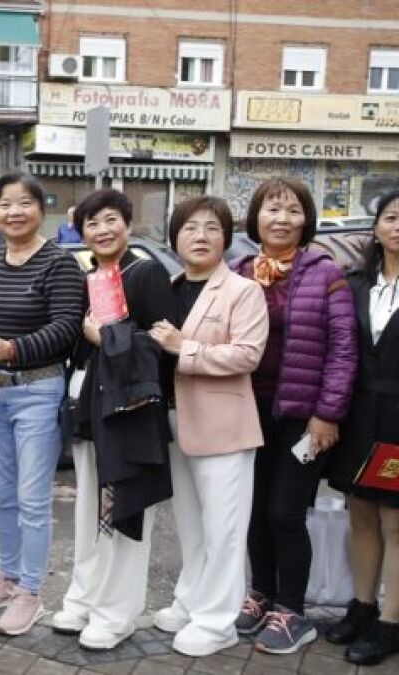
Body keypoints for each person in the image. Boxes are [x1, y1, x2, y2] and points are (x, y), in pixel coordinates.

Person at [230, 178, 357, 654]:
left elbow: (343, 349)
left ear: (306, 220)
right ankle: (261, 593)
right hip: (248, 411)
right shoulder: (239, 270)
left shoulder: (327, 273)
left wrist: (327, 413)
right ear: (256, 218)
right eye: (272, 209)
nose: (281, 219)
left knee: (285, 511)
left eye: (293, 210)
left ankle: (292, 610)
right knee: (254, 510)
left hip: (303, 416)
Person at [51, 189, 174, 650]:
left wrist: (106, 338)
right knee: (90, 511)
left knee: (124, 508)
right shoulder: (90, 278)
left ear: (128, 224)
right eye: (92, 223)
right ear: (80, 232)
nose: (102, 230)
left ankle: (117, 612)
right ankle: (85, 597)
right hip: (90, 410)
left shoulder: (145, 273)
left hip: (130, 413)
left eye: (110, 220)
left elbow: (162, 347)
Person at [148, 196, 268, 657]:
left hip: (224, 426)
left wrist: (185, 347)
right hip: (176, 420)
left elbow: (247, 355)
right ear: (174, 238)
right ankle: (191, 601)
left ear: (226, 238)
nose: (201, 236)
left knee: (224, 529)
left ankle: (218, 622)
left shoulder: (243, 290)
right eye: (190, 228)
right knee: (191, 524)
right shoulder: (168, 288)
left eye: (212, 228)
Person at [0, 173, 85, 636]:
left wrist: (12, 349)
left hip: (38, 390)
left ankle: (31, 592)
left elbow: (66, 328)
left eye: (24, 203)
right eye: (5, 204)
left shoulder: (60, 263)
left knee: (33, 499)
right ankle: (7, 576)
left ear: (41, 209)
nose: (14, 212)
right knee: (2, 492)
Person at [326, 189, 399, 666]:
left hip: (398, 420)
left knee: (396, 521)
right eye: (392, 217)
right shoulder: (354, 283)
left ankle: (392, 622)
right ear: (376, 227)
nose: (398, 226)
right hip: (357, 417)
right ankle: (363, 604)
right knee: (361, 514)